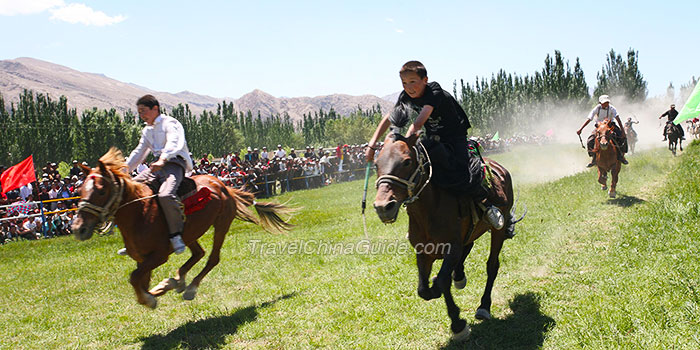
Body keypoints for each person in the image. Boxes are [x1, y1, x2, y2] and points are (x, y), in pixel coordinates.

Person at [365, 60, 504, 229]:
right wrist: (372, 144)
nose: (409, 87)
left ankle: (486, 204)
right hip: (432, 137)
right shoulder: (406, 96)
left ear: (425, 80)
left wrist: (407, 143)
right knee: (420, 172)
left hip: (455, 136)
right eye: (404, 83)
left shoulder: (434, 91)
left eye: (413, 82)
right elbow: (390, 118)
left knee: (461, 172)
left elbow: (418, 123)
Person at [124, 94, 194, 255]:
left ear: (155, 109)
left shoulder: (170, 123)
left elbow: (174, 142)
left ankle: (176, 235)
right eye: (139, 112)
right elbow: (139, 152)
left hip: (174, 163)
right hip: (157, 166)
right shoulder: (147, 131)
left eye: (143, 111)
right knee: (129, 190)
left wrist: (163, 159)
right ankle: (134, 240)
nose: (141, 115)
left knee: (165, 195)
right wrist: (123, 171)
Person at [576, 95, 628, 167]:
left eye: (607, 102)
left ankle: (621, 156)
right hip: (599, 127)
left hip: (610, 126)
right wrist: (581, 129)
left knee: (622, 138)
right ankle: (594, 158)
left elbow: (618, 119)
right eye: (604, 102)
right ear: (600, 103)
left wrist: (622, 131)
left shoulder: (612, 108)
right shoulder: (597, 108)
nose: (606, 104)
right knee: (590, 140)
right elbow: (589, 118)